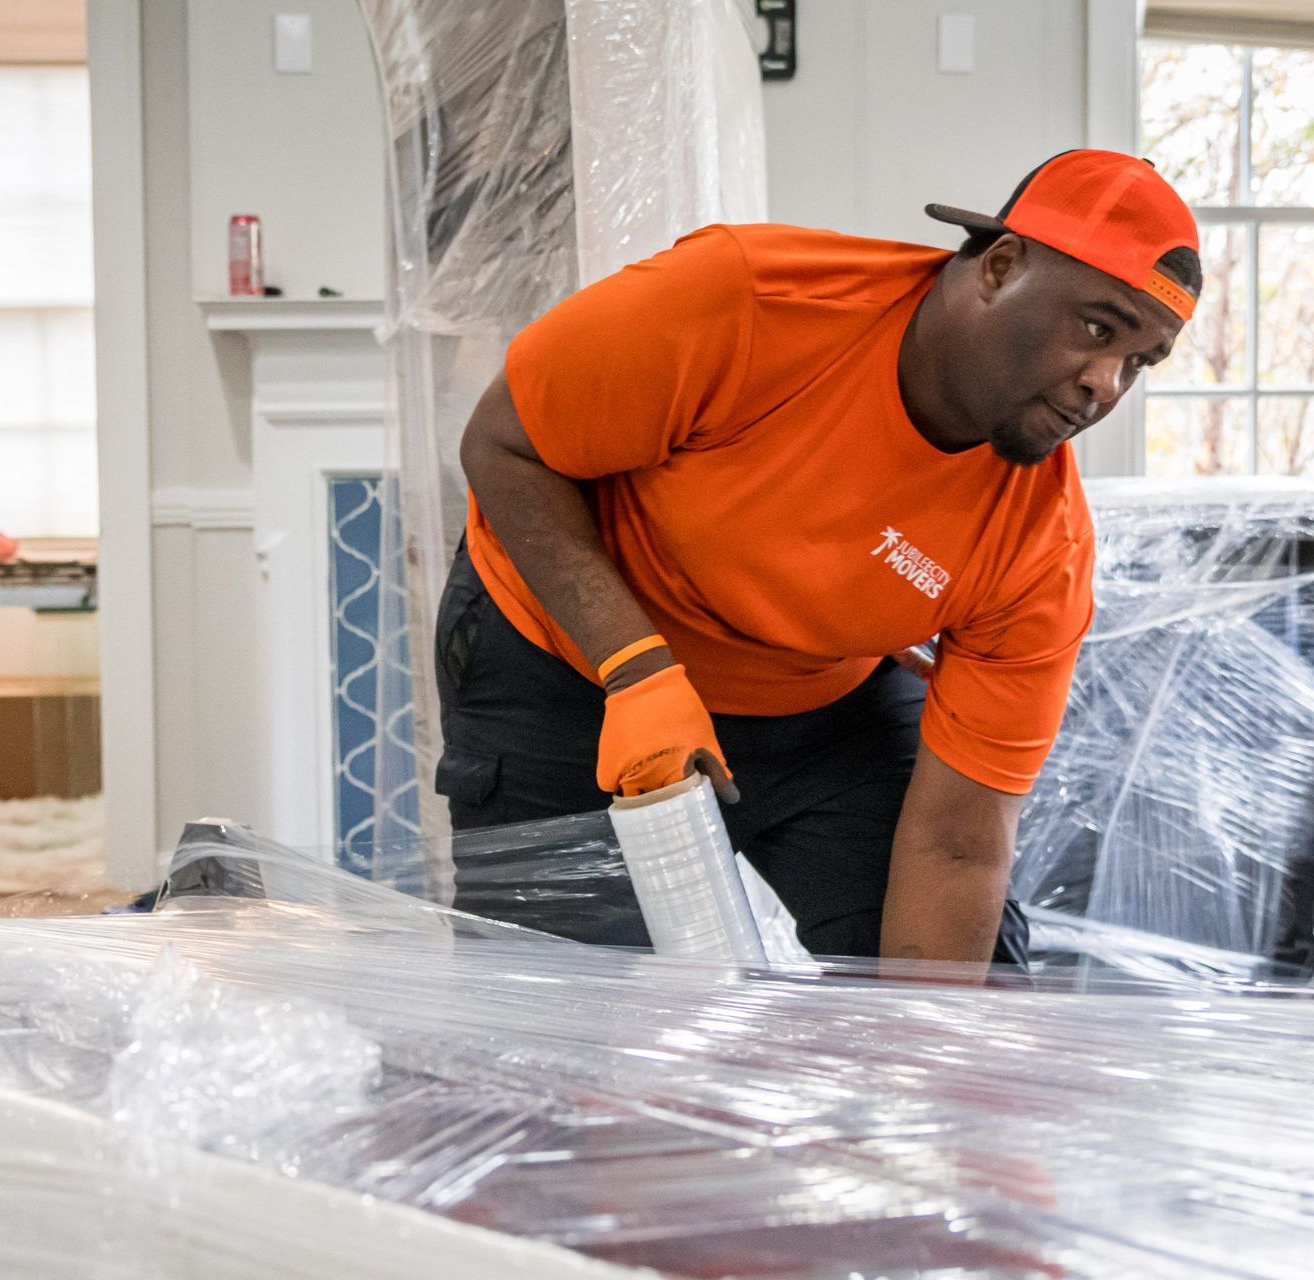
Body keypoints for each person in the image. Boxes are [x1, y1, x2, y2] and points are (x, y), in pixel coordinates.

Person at [435, 149, 1199, 968]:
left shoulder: (1041, 549)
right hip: (570, 668)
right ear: (1001, 267)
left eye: (1140, 361)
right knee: (553, 1017)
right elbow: (504, 446)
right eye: (1098, 328)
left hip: (822, 703)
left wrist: (925, 1075)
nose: (1106, 386)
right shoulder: (750, 300)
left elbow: (958, 846)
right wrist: (634, 670)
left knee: (956, 991)